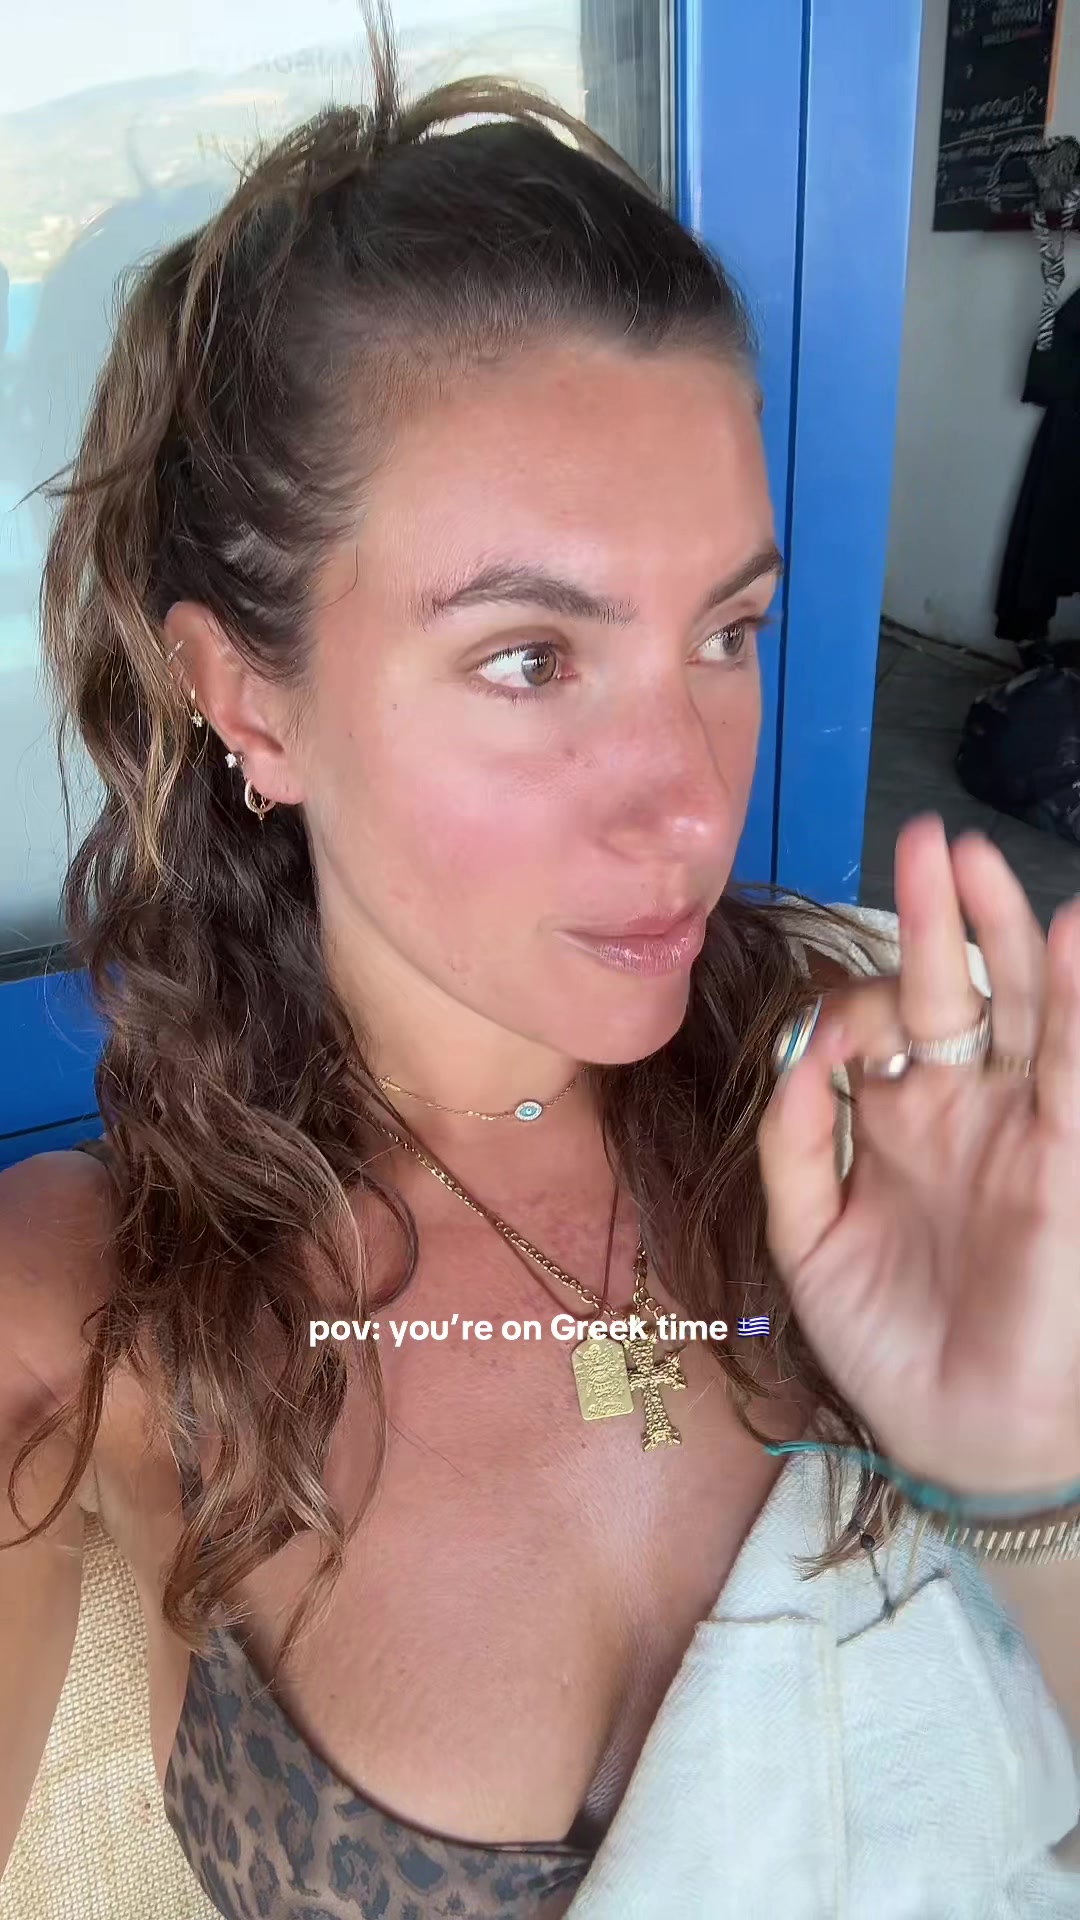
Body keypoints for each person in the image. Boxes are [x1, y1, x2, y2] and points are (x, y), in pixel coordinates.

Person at [3, 19, 1080, 1919]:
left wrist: (1024, 1477)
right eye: (530, 657)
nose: (689, 801)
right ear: (247, 698)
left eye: (727, 632)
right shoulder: (90, 1309)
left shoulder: (905, 1106)